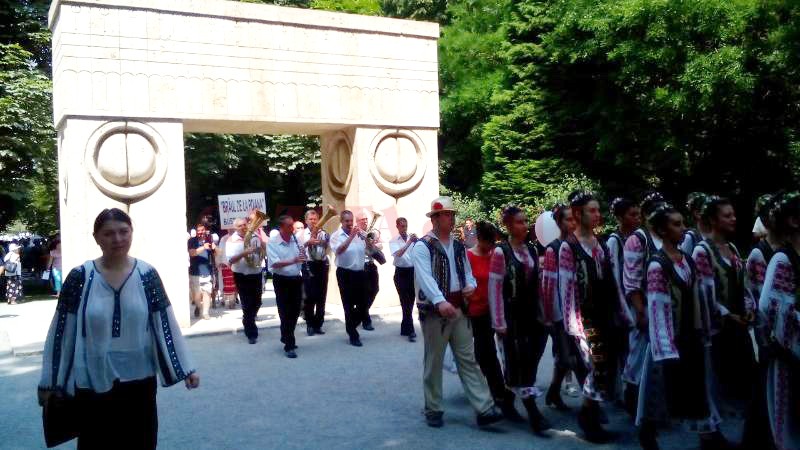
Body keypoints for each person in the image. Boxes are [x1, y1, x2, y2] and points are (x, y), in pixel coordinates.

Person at [37, 208, 199, 449]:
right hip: (92, 381)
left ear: (132, 232)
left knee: (140, 443)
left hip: (139, 381)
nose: (117, 239)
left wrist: (185, 368)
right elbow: (61, 331)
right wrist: (49, 380)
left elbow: (164, 322)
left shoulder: (146, 274)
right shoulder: (80, 277)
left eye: (123, 231)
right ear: (96, 237)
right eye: (109, 233)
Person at [635, 204, 722, 450]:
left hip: (689, 336)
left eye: (682, 223)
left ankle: (708, 435)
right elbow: (657, 308)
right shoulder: (657, 265)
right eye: (676, 224)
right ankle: (647, 431)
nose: (683, 228)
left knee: (695, 388)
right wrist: (666, 348)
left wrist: (704, 329)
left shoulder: (686, 260)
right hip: (666, 341)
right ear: (663, 230)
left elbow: (699, 298)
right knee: (656, 390)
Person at [412, 196, 503, 429]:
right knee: (434, 360)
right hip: (435, 312)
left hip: (460, 309)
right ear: (435, 218)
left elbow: (467, 272)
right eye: (446, 215)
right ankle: (433, 408)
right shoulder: (422, 246)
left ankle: (484, 408)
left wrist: (470, 285)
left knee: (468, 359)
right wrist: (439, 301)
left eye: (452, 214)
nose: (451, 219)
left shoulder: (459, 246)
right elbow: (425, 278)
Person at [692, 196, 752, 447]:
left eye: (733, 214)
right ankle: (709, 434)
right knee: (711, 381)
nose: (733, 219)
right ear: (713, 220)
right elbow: (705, 293)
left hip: (738, 326)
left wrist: (748, 308)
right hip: (715, 329)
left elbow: (744, 283)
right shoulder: (702, 251)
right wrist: (727, 315)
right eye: (727, 215)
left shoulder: (733, 249)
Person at [558, 191, 617, 442]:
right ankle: (588, 415)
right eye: (591, 210)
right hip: (585, 318)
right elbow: (567, 288)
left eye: (598, 210)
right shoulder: (568, 247)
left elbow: (611, 280)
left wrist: (621, 312)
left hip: (605, 314)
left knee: (606, 367)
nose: (597, 215)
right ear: (578, 213)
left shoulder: (600, 244)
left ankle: (590, 411)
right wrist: (574, 325)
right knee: (597, 366)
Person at [488, 206, 551, 433]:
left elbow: (538, 286)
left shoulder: (532, 249)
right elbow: (494, 289)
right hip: (511, 316)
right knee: (519, 363)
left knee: (529, 362)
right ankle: (534, 413)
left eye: (525, 221)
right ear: (508, 225)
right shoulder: (501, 252)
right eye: (519, 222)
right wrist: (499, 321)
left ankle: (506, 401)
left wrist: (544, 313)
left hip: (532, 315)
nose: (524, 226)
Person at [467, 221, 523, 421]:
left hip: (496, 309)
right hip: (477, 312)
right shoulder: (469, 256)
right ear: (479, 238)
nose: (491, 246)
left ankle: (499, 392)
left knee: (502, 352)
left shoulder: (495, 255)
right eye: (488, 242)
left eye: (493, 242)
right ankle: (497, 394)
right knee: (486, 354)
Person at [759, 191, 800, 450]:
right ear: (794, 221)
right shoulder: (783, 259)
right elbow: (769, 307)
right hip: (790, 355)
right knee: (788, 424)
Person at [621, 192, 666, 415]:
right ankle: (632, 399)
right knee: (638, 355)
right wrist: (640, 311)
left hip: (664, 308)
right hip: (644, 307)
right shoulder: (637, 240)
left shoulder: (666, 237)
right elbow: (631, 280)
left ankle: (655, 403)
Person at [742, 193, 781, 449]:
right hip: (767, 333)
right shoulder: (760, 253)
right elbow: (755, 296)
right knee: (764, 386)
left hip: (785, 331)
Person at [541, 203, 577, 410]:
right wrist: (551, 315)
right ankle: (592, 406)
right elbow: (549, 285)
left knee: (574, 356)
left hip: (578, 310)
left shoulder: (580, 244)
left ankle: (553, 392)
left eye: (574, 219)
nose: (573, 223)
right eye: (568, 219)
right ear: (559, 223)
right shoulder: (553, 249)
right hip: (560, 313)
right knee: (567, 356)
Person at [606, 197, 641, 402]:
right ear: (620, 217)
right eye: (632, 215)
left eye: (638, 214)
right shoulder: (615, 241)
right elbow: (614, 276)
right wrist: (621, 308)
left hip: (634, 301)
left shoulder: (637, 238)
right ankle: (620, 390)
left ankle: (631, 389)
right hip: (621, 303)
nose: (637, 218)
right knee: (621, 347)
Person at [267, 215, 305, 358]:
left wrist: (303, 256)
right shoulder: (273, 242)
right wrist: (294, 260)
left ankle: (286, 335)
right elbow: (274, 263)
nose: (292, 229)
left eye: (292, 225)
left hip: (296, 278)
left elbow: (301, 256)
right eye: (289, 226)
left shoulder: (296, 240)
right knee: (285, 312)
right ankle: (289, 344)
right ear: (281, 228)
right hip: (281, 280)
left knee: (295, 311)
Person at [330, 210, 368, 346]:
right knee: (349, 304)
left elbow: (368, 249)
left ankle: (351, 325)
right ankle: (353, 335)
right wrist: (351, 237)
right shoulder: (336, 236)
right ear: (341, 221)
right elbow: (338, 250)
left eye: (351, 221)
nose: (350, 223)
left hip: (360, 272)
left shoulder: (360, 234)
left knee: (364, 303)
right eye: (347, 221)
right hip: (345, 273)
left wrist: (368, 240)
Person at [226, 217, 264, 344]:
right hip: (241, 275)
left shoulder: (255, 236)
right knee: (247, 303)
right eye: (240, 226)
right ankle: (251, 333)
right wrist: (244, 253)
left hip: (256, 272)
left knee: (257, 302)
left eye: (244, 224)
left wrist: (261, 246)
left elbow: (263, 250)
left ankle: (247, 319)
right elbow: (230, 260)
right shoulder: (231, 240)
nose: (243, 227)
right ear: (235, 228)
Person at [300, 209, 330, 336]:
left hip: (321, 264)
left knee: (321, 296)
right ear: (306, 221)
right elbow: (298, 249)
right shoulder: (301, 234)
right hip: (309, 265)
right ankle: (310, 324)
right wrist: (308, 242)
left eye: (315, 219)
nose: (313, 221)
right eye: (310, 219)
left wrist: (324, 242)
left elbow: (328, 247)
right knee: (310, 296)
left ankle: (319, 324)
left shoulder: (324, 233)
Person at [389, 217, 417, 341]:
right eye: (401, 226)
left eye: (405, 226)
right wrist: (409, 242)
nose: (404, 228)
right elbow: (398, 254)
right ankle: (411, 330)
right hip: (400, 273)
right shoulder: (393, 240)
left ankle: (404, 327)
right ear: (397, 226)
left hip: (412, 272)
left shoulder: (412, 238)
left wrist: (417, 242)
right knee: (405, 301)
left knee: (410, 302)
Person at [359, 210, 384, 331]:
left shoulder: (371, 234)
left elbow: (380, 246)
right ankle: (366, 320)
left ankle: (360, 313)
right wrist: (366, 244)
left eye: (366, 219)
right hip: (362, 266)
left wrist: (373, 244)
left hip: (372, 264)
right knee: (364, 293)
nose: (365, 221)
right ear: (357, 221)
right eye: (362, 219)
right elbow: (359, 248)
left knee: (375, 289)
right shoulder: (357, 234)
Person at [188, 222, 216, 320]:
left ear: (205, 230)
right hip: (195, 272)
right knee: (196, 295)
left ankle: (205, 313)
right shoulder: (192, 241)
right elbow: (192, 253)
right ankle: (198, 306)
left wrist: (215, 248)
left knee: (207, 292)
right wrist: (204, 247)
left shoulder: (210, 239)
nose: (200, 232)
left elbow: (217, 254)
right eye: (198, 230)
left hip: (207, 271)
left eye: (202, 230)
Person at [215, 231, 238, 309]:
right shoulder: (223, 239)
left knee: (234, 283)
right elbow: (220, 252)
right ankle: (229, 300)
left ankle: (233, 299)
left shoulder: (239, 237)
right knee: (227, 283)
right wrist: (219, 262)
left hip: (236, 264)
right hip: (225, 264)